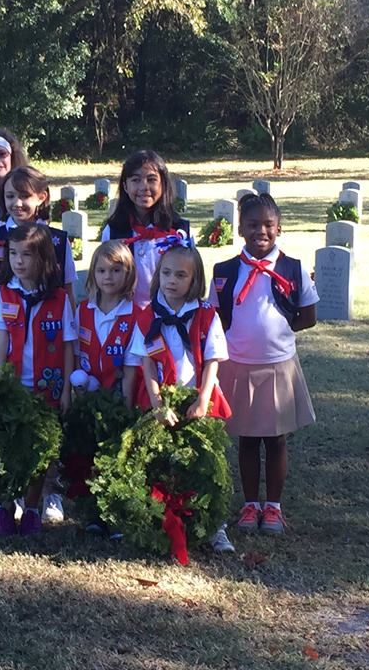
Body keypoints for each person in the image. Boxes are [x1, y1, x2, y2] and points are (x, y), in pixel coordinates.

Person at [210, 193, 318, 536]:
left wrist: (278, 335)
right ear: (240, 229)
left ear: (279, 228)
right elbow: (215, 318)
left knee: (275, 439)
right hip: (238, 364)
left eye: (268, 225)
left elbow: (308, 316)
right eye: (253, 224)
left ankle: (273, 506)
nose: (261, 231)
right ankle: (249, 504)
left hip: (277, 365)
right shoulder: (224, 271)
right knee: (246, 439)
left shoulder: (293, 268)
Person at [130, 237, 235, 552]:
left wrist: (203, 399)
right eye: (166, 274)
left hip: (198, 399)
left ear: (195, 280)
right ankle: (165, 523)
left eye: (180, 275)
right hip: (161, 402)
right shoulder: (148, 315)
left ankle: (215, 526)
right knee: (161, 464)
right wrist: (157, 403)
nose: (171, 281)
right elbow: (146, 364)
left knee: (206, 466)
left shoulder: (205, 315)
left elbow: (213, 360)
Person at [0, 223, 76, 535]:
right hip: (12, 385)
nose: (19, 261)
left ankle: (33, 508)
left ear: (45, 259)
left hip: (46, 388)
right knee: (6, 448)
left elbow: (67, 345)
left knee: (40, 451)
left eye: (27, 254)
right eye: (13, 254)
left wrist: (66, 387)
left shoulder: (60, 299)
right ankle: (6, 503)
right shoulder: (2, 293)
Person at [0, 165, 76, 305]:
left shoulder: (58, 240)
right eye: (10, 196)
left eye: (25, 196)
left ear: (41, 197)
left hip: (49, 319)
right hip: (3, 322)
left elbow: (68, 290)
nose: (17, 203)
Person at [101, 150, 190, 307]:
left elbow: (191, 277)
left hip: (168, 316)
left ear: (163, 184)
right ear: (125, 186)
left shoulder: (179, 231)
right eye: (135, 180)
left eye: (151, 179)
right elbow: (105, 279)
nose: (144, 187)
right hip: (125, 317)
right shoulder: (114, 231)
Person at [74, 240, 144, 405]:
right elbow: (76, 353)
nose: (108, 277)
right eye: (101, 270)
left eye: (116, 270)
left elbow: (130, 368)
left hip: (120, 396)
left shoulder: (135, 315)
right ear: (93, 274)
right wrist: (80, 397)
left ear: (129, 273)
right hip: (87, 396)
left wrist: (125, 410)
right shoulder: (83, 310)